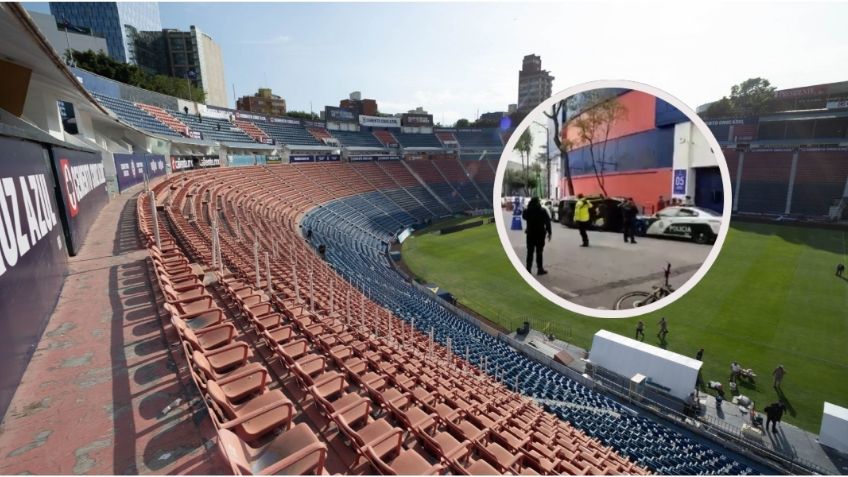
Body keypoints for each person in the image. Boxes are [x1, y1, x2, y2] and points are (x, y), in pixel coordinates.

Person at [522, 197, 552, 275]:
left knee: (530, 252)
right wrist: (549, 232)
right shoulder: (542, 211)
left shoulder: (527, 211)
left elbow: (524, 217)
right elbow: (547, 222)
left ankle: (528, 269)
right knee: (539, 252)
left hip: (530, 234)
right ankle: (540, 269)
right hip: (540, 234)